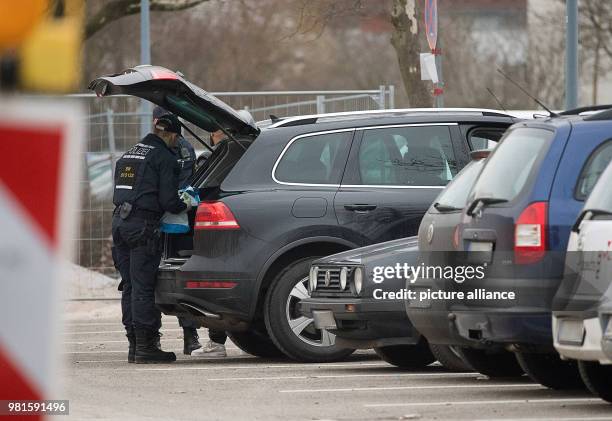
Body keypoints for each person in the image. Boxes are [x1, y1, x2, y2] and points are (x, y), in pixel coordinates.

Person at [112, 113, 192, 364]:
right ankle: (147, 347)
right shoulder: (164, 157)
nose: (176, 142)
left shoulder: (130, 153)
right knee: (144, 287)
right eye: (176, 137)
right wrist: (187, 203)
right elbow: (169, 201)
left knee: (129, 285)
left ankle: (134, 346)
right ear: (170, 134)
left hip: (119, 223)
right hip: (143, 226)